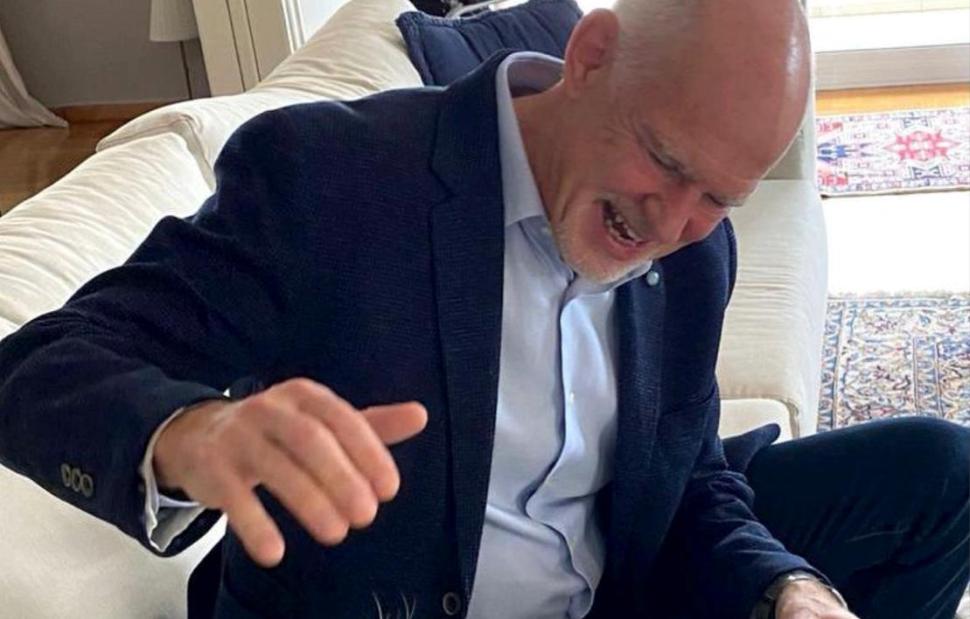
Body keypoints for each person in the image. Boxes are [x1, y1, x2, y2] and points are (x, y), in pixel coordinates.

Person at [0, 0, 966, 617]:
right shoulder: (330, 177)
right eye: (666, 162)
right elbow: (38, 365)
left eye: (719, 196)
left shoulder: (695, 252)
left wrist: (785, 586)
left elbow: (688, 479)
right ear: (591, 56)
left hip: (617, 581)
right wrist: (189, 431)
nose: (672, 223)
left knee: (941, 472)